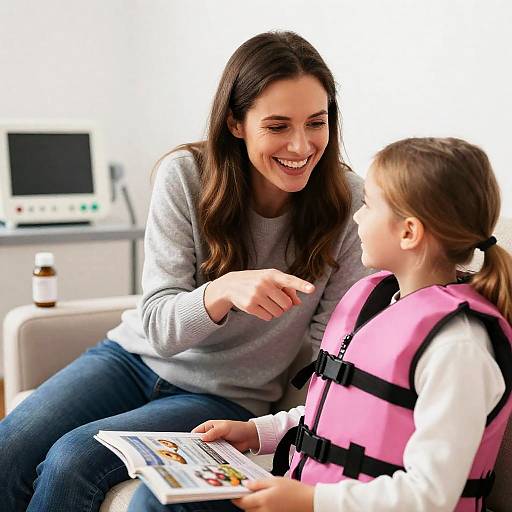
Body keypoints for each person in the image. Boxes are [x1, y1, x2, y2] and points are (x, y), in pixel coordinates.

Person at [0, 31, 367, 512]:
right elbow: (156, 325)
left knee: (74, 460)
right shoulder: (186, 176)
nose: (301, 145)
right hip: (133, 359)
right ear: (236, 122)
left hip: (228, 394)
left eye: (316, 123)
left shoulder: (349, 201)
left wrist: (284, 430)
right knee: (10, 447)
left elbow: (324, 346)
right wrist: (220, 292)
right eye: (277, 126)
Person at [128, 137, 512, 512]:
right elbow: (341, 414)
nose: (357, 215)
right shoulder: (381, 304)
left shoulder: (457, 348)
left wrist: (310, 501)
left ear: (408, 231)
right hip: (314, 493)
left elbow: (430, 497)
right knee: (161, 493)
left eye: (367, 205)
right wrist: (258, 432)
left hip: (323, 502)